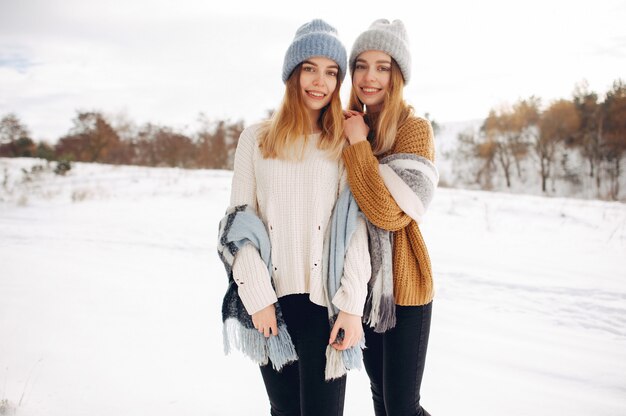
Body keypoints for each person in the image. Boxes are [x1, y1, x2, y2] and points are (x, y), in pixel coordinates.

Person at [217, 19, 370, 416]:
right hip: (272, 304)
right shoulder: (256, 139)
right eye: (310, 69)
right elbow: (238, 225)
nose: (320, 82)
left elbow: (354, 228)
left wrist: (353, 305)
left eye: (332, 72)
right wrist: (258, 298)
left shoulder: (340, 143)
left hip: (326, 306)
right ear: (292, 73)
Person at [342, 19, 439, 416]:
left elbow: (386, 212)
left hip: (404, 288)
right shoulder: (349, 125)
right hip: (360, 289)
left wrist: (358, 147)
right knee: (381, 396)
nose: (369, 77)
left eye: (382, 67)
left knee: (402, 407)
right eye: (361, 65)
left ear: (397, 75)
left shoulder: (415, 130)